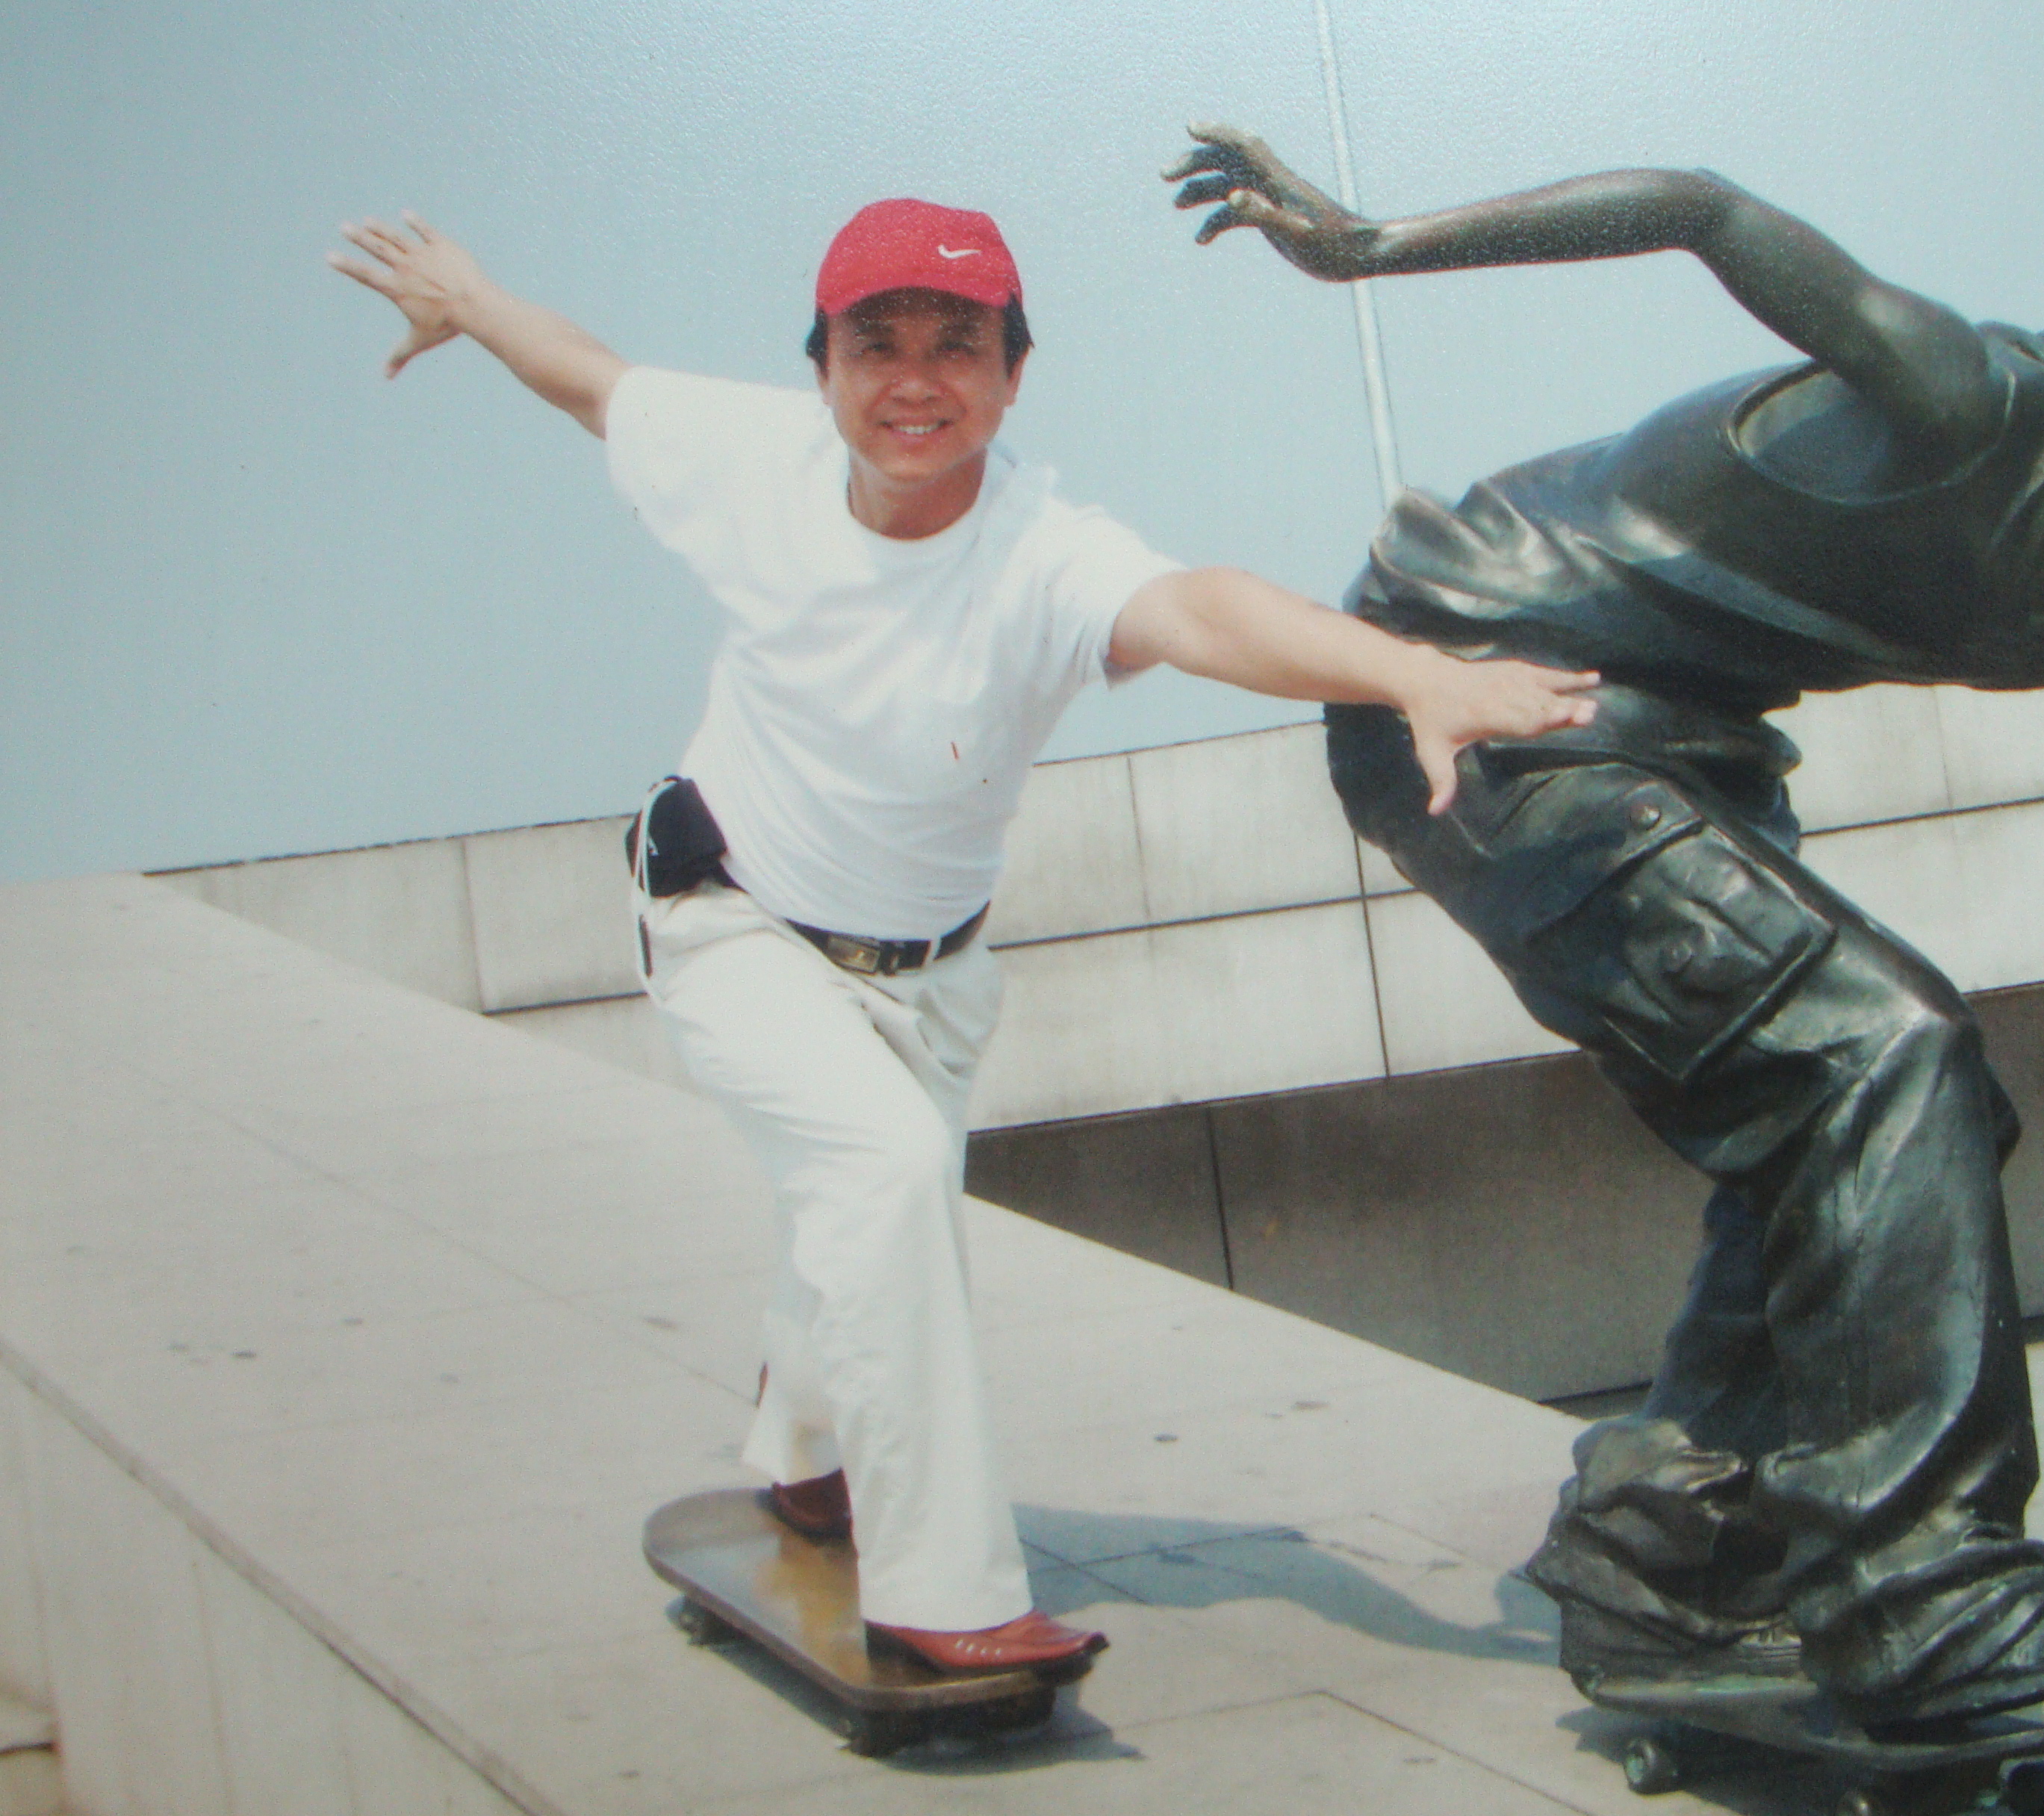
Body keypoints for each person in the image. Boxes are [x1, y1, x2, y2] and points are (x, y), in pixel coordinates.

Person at [1168, 125, 2044, 1724]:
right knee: (1886, 1054)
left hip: (1680, 743)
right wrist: (1373, 246)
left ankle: (1660, 1565)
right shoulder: (1980, 406)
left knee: (1887, 1109)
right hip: (1474, 688)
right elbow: (1706, 210)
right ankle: (1924, 1597)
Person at [327, 199, 1598, 1673]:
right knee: (884, 1170)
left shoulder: (1043, 555)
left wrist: (1408, 674)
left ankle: (806, 1449)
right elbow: (591, 377)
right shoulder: (749, 461)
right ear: (822, 366)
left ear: (1012, 375)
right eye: (878, 345)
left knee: (865, 1196)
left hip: (932, 974)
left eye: (957, 346)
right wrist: (472, 298)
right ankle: (943, 1595)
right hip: (732, 918)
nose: (916, 382)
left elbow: (1201, 611)